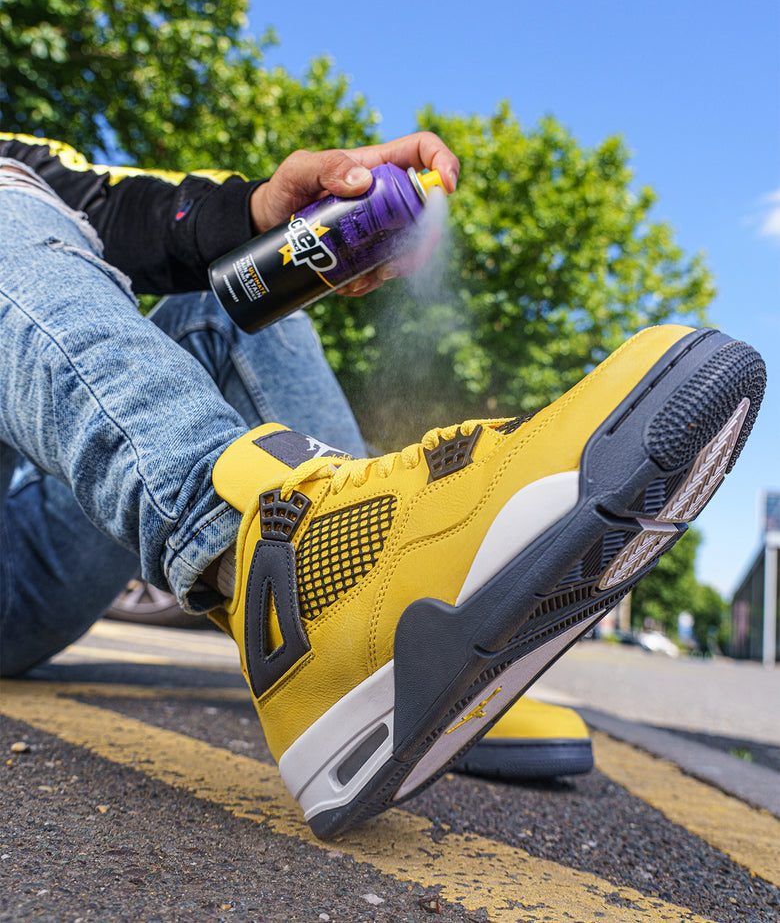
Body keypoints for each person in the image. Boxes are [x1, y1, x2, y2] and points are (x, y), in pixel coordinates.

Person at [0, 130, 766, 838]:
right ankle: (309, 580)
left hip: (30, 540)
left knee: (220, 301)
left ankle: (381, 622)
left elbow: (111, 203)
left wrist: (260, 211)